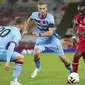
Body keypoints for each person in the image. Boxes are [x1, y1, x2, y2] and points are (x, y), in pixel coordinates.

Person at [26, 0, 72, 78]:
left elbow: (50, 32)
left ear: (46, 8)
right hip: (41, 40)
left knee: (63, 59)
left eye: (43, 8)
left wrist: (39, 34)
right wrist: (25, 29)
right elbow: (30, 19)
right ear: (38, 9)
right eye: (40, 8)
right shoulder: (34, 15)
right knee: (36, 53)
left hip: (52, 39)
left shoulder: (50, 18)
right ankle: (38, 68)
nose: (42, 10)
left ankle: (72, 72)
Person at [0, 16, 26, 85]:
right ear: (21, 25)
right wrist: (7, 62)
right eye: (24, 25)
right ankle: (14, 81)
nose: (25, 27)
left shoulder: (5, 27)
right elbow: (11, 47)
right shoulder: (17, 33)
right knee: (20, 58)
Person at [71, 3, 85, 73]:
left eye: (82, 12)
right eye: (79, 11)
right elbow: (75, 26)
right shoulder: (77, 17)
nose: (80, 13)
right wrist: (74, 36)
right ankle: (74, 75)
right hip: (82, 42)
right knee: (76, 57)